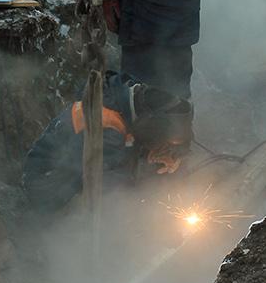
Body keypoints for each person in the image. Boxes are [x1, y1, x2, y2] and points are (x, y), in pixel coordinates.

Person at [21, 73, 194, 215]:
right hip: (46, 187)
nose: (162, 147)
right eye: (162, 142)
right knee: (128, 197)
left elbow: (130, 139)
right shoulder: (107, 126)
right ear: (151, 127)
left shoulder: (132, 97)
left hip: (74, 170)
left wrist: (152, 153)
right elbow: (111, 188)